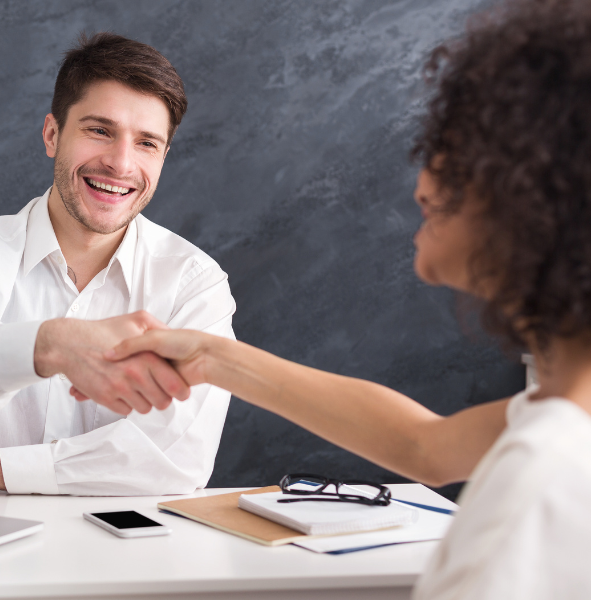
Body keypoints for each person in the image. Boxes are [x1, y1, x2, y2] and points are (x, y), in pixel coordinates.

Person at [96, 1, 591, 596]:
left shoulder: (545, 477)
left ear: (541, 194)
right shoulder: (559, 418)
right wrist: (212, 359)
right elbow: (425, 446)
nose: (421, 183)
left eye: (455, 150)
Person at [0, 33, 235, 497]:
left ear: (164, 157)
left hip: (124, 556)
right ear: (53, 134)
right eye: (99, 130)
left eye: (147, 143)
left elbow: (177, 457)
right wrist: (50, 345)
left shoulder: (194, 285)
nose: (120, 163)